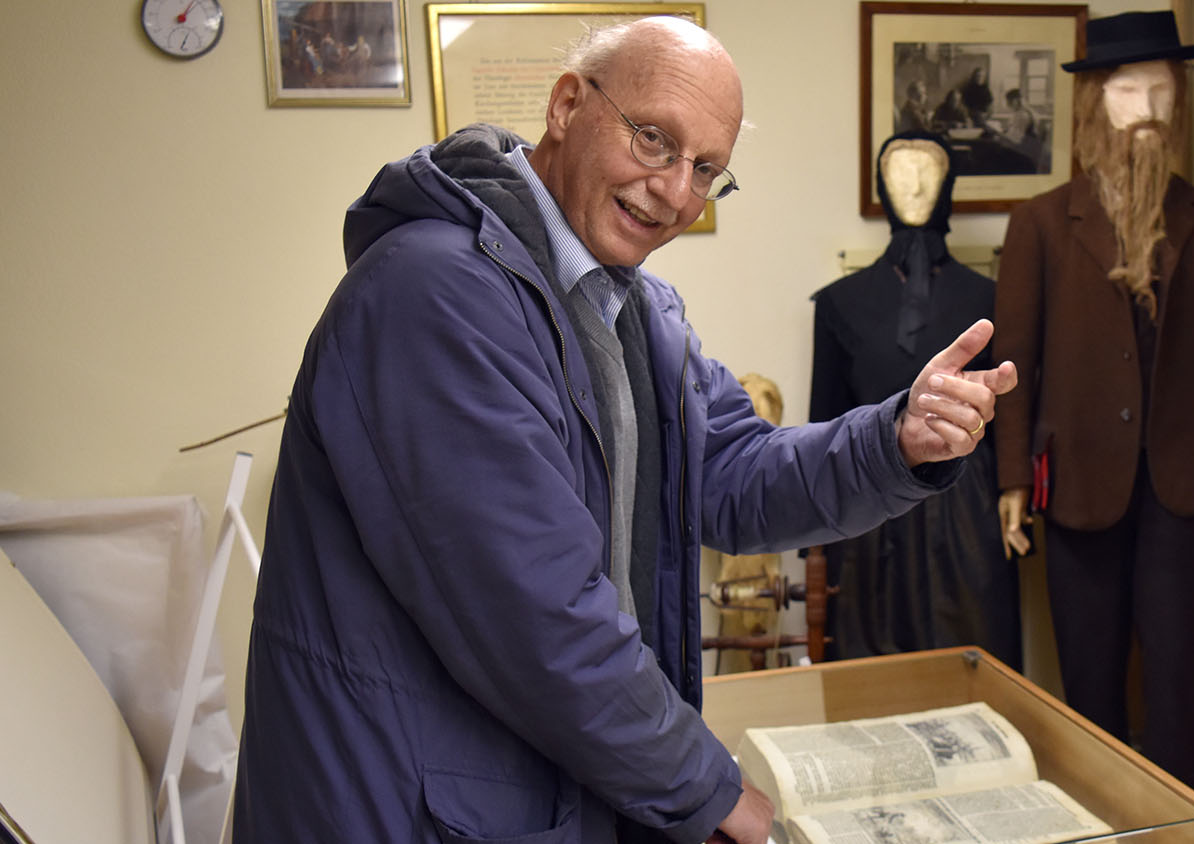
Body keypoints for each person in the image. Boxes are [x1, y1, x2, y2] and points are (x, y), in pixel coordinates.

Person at [234, 15, 1015, 844]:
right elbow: (539, 619)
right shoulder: (432, 295)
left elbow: (737, 473)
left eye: (707, 169)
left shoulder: (633, 308)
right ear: (568, 105)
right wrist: (710, 791)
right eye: (654, 141)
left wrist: (896, 439)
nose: (676, 192)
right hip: (400, 804)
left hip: (518, 785)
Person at [991, 11, 1194, 788]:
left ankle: (1180, 829)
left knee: (1181, 680)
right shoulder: (1040, 224)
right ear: (1094, 104)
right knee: (1091, 680)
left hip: (1186, 486)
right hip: (1079, 484)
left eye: (1161, 92)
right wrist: (1012, 478)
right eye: (1128, 90)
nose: (1145, 108)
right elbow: (1015, 362)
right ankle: (1099, 818)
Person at [809, 132, 1019, 669]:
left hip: (965, 512)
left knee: (970, 661)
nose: (916, 184)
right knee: (871, 671)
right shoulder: (840, 305)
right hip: (869, 512)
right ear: (880, 184)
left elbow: (1008, 411)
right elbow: (823, 423)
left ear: (949, 183)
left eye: (929, 170)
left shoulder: (989, 300)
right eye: (900, 171)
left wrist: (1012, 493)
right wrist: (815, 535)